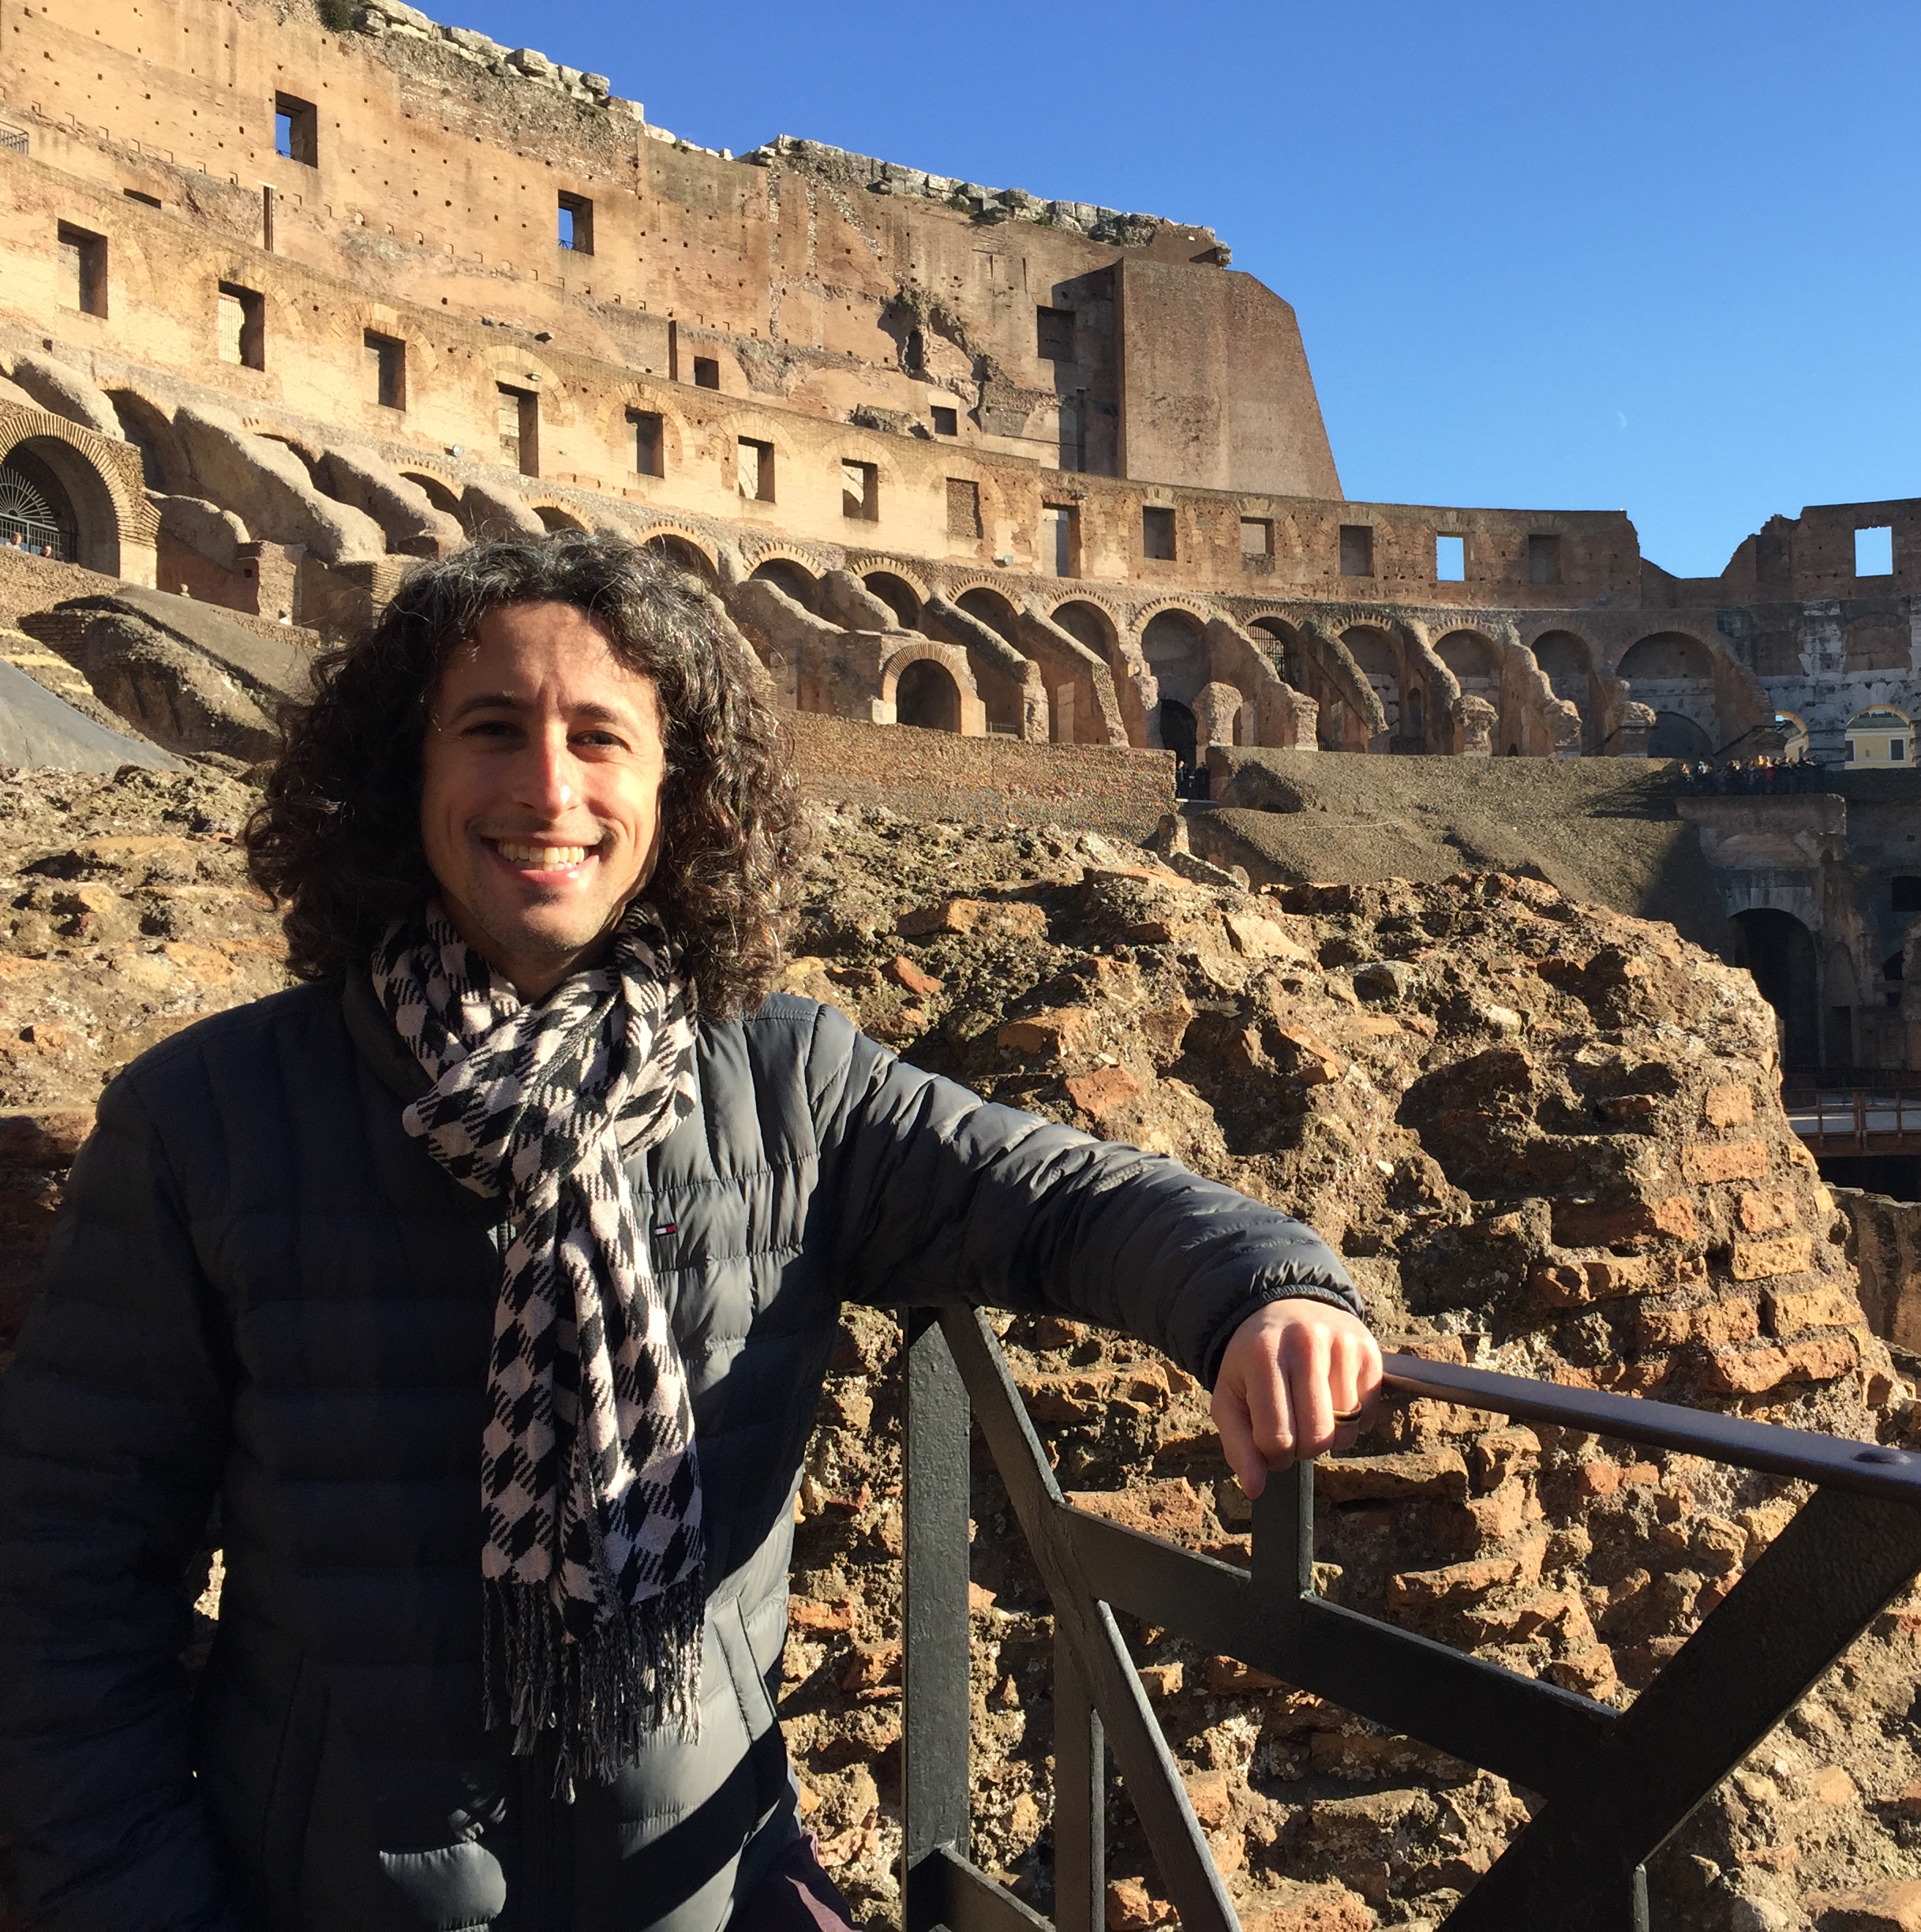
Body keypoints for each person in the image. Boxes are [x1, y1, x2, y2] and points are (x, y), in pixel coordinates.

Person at [0, 535, 1381, 1932]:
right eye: (491, 732)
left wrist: (1264, 1290)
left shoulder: (788, 1081)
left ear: (678, 789)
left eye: (603, 739)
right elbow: (64, 1583)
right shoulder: (211, 1116)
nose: (550, 790)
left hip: (706, 1887)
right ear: (402, 772)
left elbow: (1061, 1196)